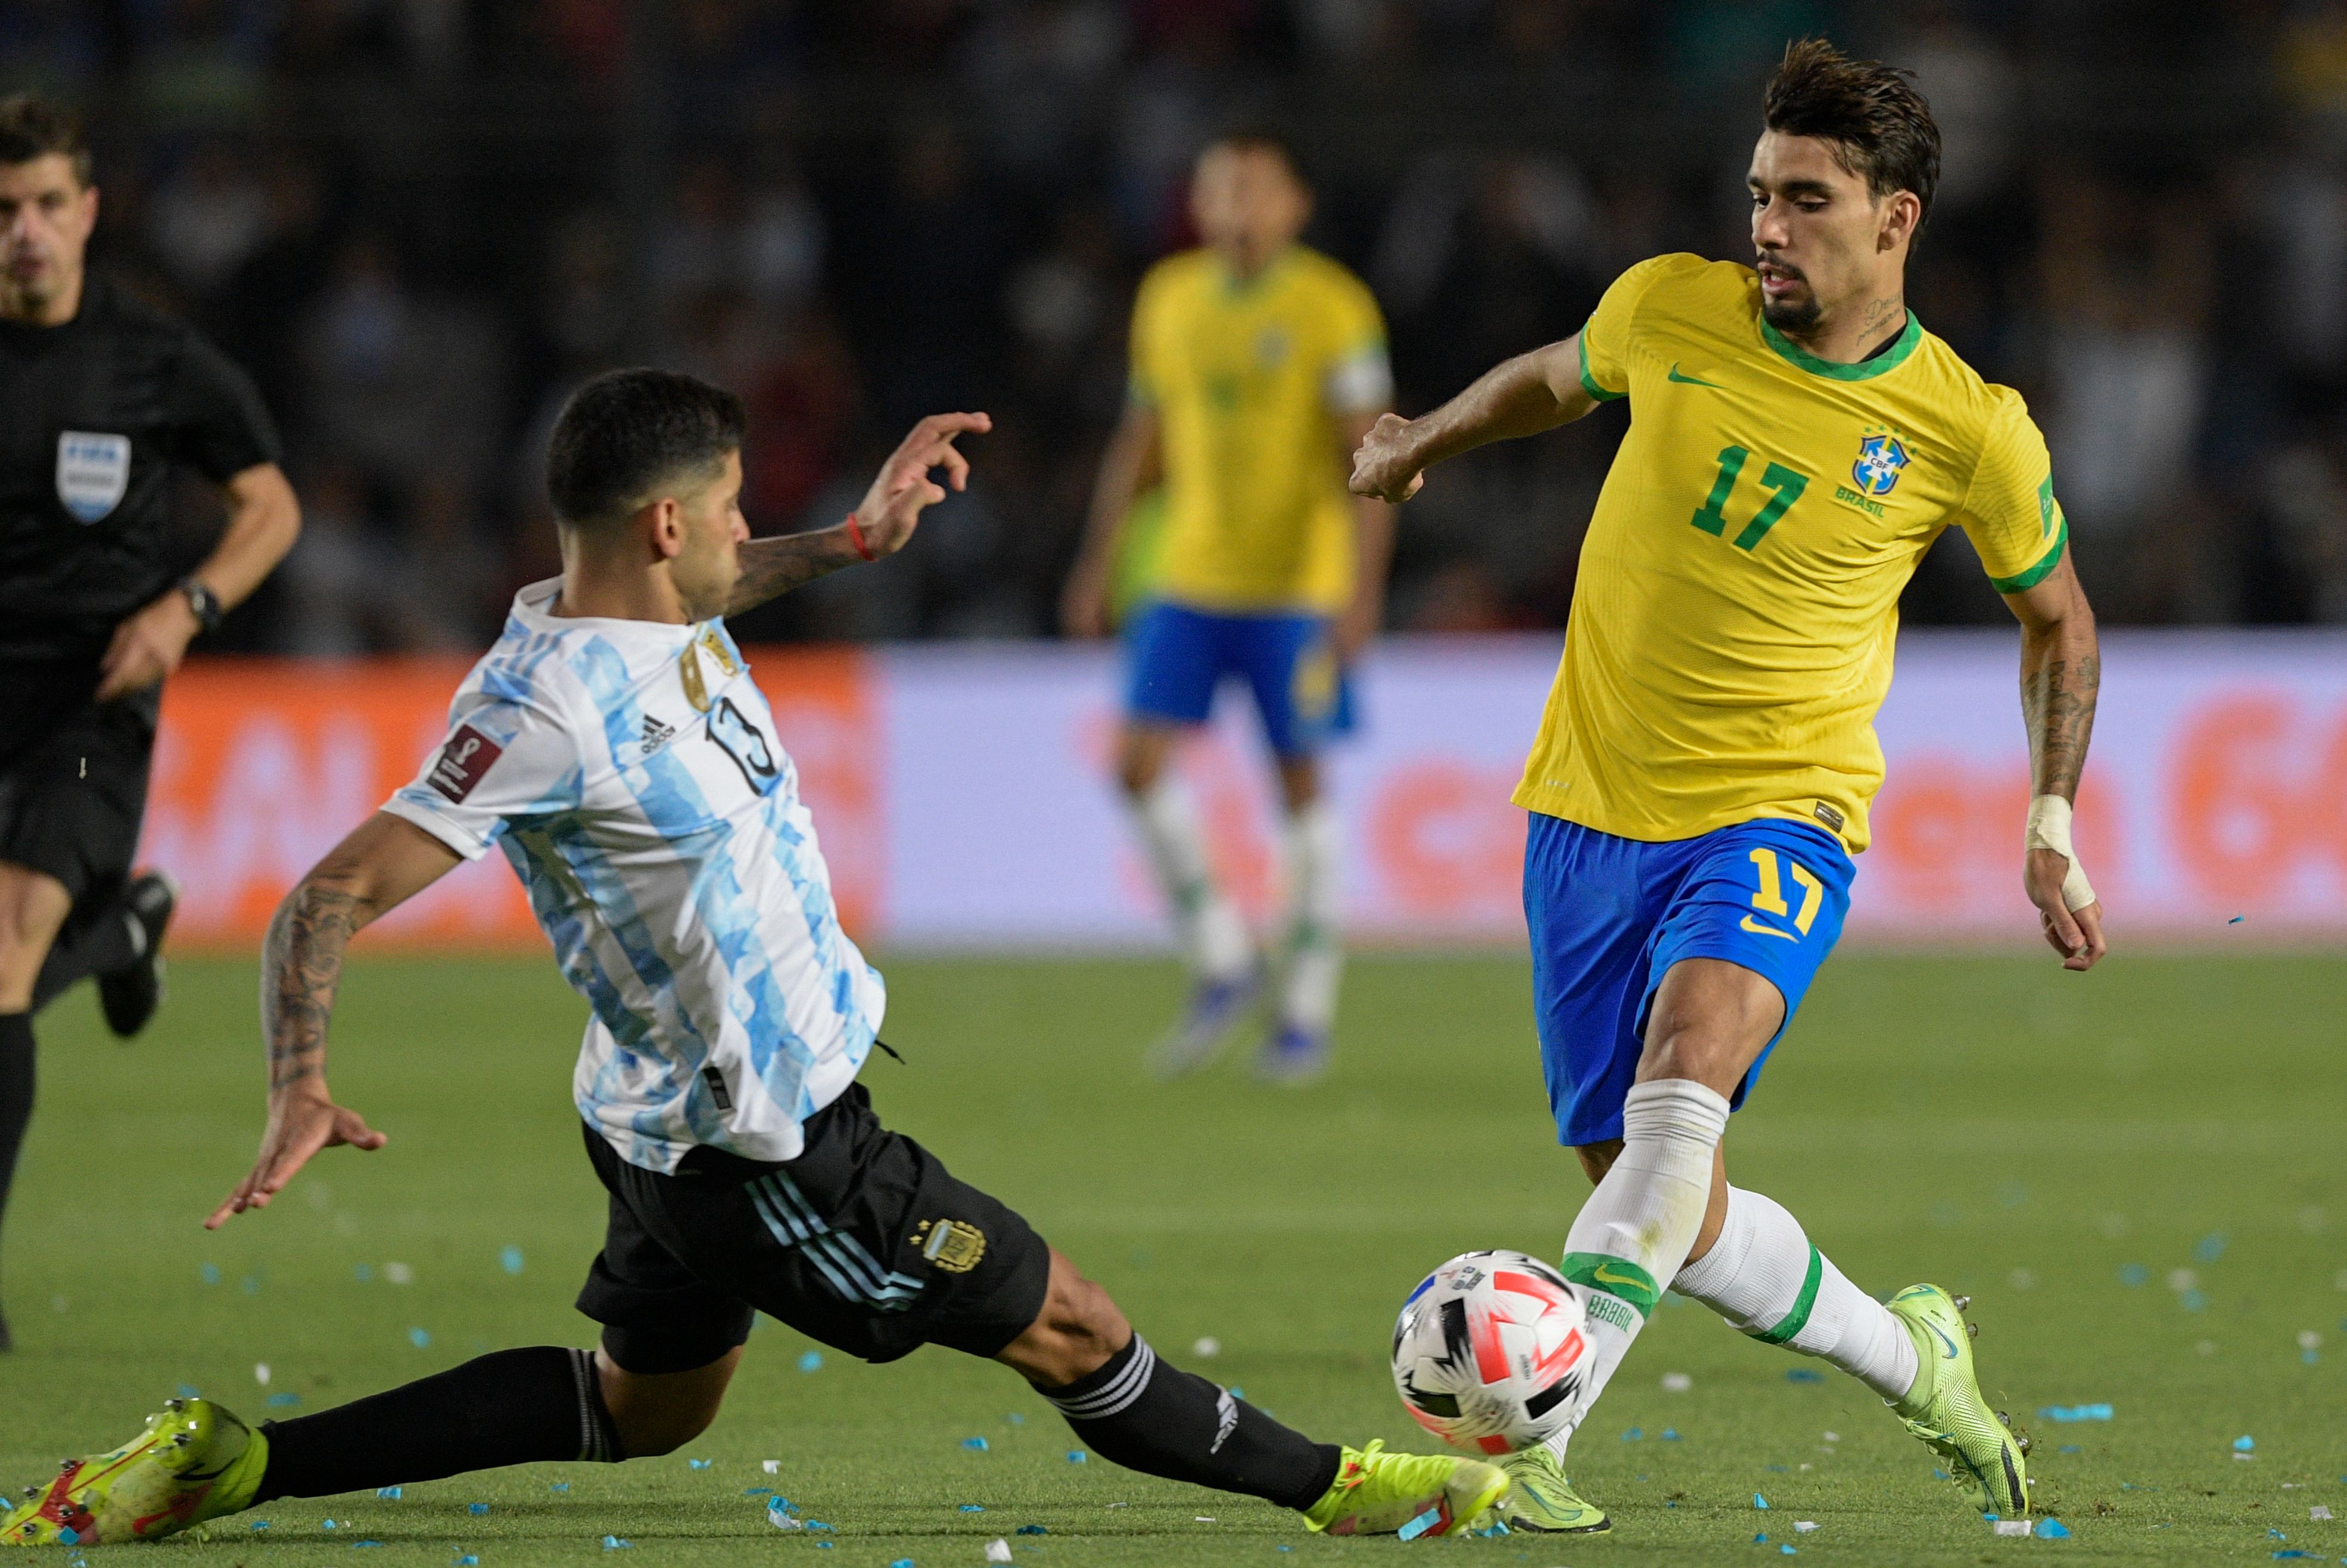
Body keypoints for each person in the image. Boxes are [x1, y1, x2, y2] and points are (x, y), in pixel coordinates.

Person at [1, 371, 1508, 1547]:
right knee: (1075, 1324)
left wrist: (853, 539)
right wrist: (300, 1078)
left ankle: (234, 1458)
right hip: (769, 1148)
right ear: (662, 524)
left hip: (654, 1112)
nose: (741, 529)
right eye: (727, 507)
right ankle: (1350, 1491)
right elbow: (319, 897)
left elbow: (715, 591)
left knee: (640, 1413)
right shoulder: (549, 707)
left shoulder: (620, 604)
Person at [1347, 41, 2104, 1533]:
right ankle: (1916, 1355)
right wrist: (1422, 436)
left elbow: (2057, 616)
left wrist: (2048, 818)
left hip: (1782, 808)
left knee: (1681, 1088)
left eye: (1805, 199)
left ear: (1894, 221)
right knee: (1661, 1202)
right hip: (1584, 810)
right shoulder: (1668, 303)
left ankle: (1529, 1445)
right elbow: (1556, 379)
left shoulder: (1967, 424)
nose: (1767, 224)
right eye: (1759, 192)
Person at [0, 95, 300, 1354]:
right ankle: (120, 928)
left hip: (92, 698)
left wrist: (185, 608)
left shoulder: (155, 360)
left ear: (89, 212)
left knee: (4, 949)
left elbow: (272, 507)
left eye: (47, 205)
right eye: (4, 210)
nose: (25, 232)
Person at [1062, 132, 1395, 1084]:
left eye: (1255, 189)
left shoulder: (1333, 306)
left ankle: (1304, 1010)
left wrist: (1363, 590)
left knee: (1298, 783)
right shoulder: (1168, 299)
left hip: (1296, 588)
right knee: (1133, 766)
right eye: (1219, 191)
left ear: (1296, 204)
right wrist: (1100, 558)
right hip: (1189, 576)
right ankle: (1222, 957)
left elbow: (1369, 455)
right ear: (1199, 208)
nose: (1236, 208)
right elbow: (1143, 436)